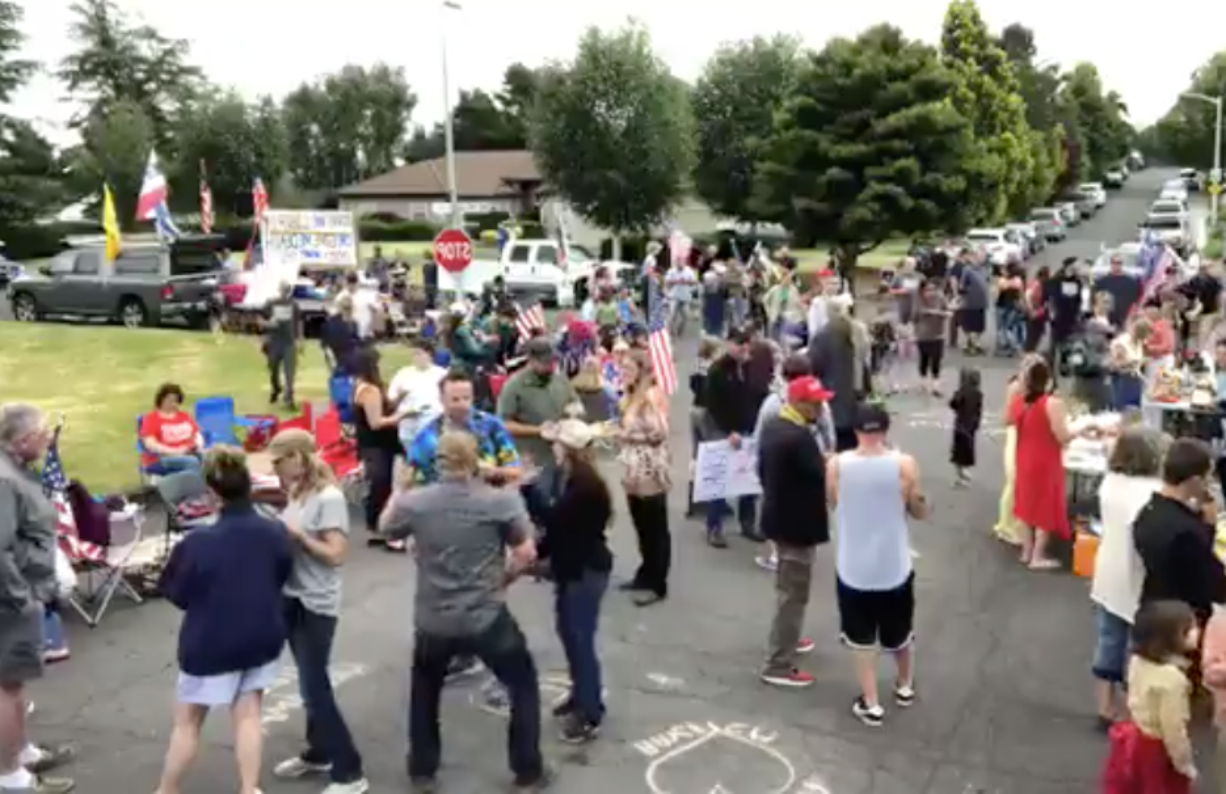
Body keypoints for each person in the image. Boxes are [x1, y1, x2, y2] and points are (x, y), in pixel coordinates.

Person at [379, 432, 550, 790]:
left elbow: (386, 528)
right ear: (476, 461)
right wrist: (504, 579)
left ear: (438, 461)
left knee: (424, 692)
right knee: (522, 685)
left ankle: (423, 770)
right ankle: (527, 770)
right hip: (485, 615)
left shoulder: (417, 502)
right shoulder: (499, 502)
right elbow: (527, 552)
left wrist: (399, 488)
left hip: (434, 618)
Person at [154, 446, 293, 794]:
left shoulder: (197, 542)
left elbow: (176, 593)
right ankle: (249, 788)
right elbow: (281, 574)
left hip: (209, 643)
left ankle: (167, 790)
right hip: (261, 636)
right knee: (248, 715)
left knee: (187, 723)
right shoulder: (274, 530)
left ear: (213, 495)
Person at [267, 430, 368, 794]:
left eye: (280, 461)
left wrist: (298, 538)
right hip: (293, 595)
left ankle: (350, 771)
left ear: (298, 457)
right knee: (310, 680)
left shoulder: (330, 498)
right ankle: (319, 751)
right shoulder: (298, 492)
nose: (276, 469)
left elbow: (336, 554)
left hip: (316, 602)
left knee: (314, 687)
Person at [405, 369, 522, 681]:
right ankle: (456, 651)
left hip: (483, 522)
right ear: (441, 399)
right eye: (454, 398)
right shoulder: (428, 436)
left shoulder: (489, 427)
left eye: (467, 397)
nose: (462, 404)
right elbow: (412, 482)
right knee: (443, 587)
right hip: (437, 524)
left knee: (483, 586)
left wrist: (483, 470)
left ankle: (486, 648)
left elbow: (514, 471)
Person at [827, 404, 926, 727]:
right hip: (893, 565)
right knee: (900, 633)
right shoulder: (904, 465)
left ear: (856, 431)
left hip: (854, 568)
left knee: (861, 640)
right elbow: (919, 510)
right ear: (886, 430)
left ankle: (871, 702)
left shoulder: (837, 465)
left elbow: (835, 502)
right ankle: (905, 684)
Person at [0, 405, 75, 794]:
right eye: (44, 433)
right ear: (24, 439)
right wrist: (20, 599)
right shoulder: (5, 480)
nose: (49, 438)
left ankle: (22, 752)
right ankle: (11, 776)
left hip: (22, 593)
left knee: (15, 681)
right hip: (11, 600)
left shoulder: (14, 472)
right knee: (6, 686)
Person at [536, 419, 612, 744]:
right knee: (569, 634)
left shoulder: (584, 486)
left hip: (586, 570)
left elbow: (556, 522)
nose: (551, 447)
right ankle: (580, 695)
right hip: (574, 568)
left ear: (566, 449)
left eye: (556, 443)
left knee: (580, 640)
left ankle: (590, 711)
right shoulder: (572, 478)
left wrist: (528, 492)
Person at [757, 376, 833, 688]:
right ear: (800, 404)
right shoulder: (799, 439)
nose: (821, 408)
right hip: (797, 525)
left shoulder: (776, 427)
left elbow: (761, 471)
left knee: (787, 588)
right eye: (816, 403)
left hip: (779, 519)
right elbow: (822, 476)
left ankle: (789, 640)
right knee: (793, 595)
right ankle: (778, 663)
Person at [1091, 427, 1165, 730]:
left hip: (1108, 570)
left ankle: (1104, 705)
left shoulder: (1109, 483)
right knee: (1142, 646)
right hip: (1139, 576)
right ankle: (1136, 710)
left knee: (1109, 640)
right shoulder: (1153, 492)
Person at [1101, 600, 1198, 794]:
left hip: (1134, 738)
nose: (1198, 631)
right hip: (1156, 750)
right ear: (1175, 638)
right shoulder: (1173, 680)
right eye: (1191, 628)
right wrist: (1184, 764)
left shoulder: (1138, 661)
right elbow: (1172, 727)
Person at [752, 354, 834, 572]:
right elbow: (829, 436)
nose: (818, 408)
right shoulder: (796, 427)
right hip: (796, 471)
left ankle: (778, 554)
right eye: (814, 404)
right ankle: (786, 557)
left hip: (780, 474)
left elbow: (759, 439)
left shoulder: (772, 404)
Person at [1133, 437, 1226, 622]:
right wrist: (1208, 526)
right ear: (1194, 480)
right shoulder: (1187, 532)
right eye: (1207, 477)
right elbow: (1211, 581)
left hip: (1153, 604)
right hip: (1184, 618)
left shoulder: (1148, 511)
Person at [1008, 357, 1076, 570]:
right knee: (1045, 506)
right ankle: (1038, 556)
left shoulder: (1020, 401)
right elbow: (1062, 437)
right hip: (1045, 460)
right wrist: (1081, 430)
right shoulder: (1052, 404)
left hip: (1024, 456)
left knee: (1027, 504)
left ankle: (1027, 552)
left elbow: (1007, 420)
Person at [497, 337, 582, 505]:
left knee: (565, 502)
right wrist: (538, 430)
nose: (549, 366)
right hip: (534, 459)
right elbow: (504, 424)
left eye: (552, 361)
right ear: (530, 360)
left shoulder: (559, 379)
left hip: (563, 454)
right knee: (540, 503)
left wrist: (574, 411)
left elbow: (574, 402)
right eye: (544, 362)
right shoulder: (514, 386)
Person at [615, 350, 671, 606]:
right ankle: (645, 573)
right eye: (622, 368)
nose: (623, 373)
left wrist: (628, 436)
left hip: (650, 466)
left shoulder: (650, 396)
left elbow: (660, 432)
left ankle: (657, 584)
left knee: (655, 528)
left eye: (628, 368)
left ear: (642, 370)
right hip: (632, 466)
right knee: (640, 524)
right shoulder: (630, 394)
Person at [703, 328, 760, 546]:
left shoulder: (747, 367)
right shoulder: (718, 370)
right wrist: (729, 431)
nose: (743, 347)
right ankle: (714, 527)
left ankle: (747, 523)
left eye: (746, 343)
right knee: (719, 480)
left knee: (747, 479)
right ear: (729, 343)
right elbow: (713, 404)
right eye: (739, 343)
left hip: (746, 428)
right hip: (723, 430)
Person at [351, 348, 409, 549]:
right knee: (382, 482)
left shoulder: (362, 386)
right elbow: (376, 421)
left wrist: (399, 400)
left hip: (374, 442)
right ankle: (379, 524)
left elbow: (383, 407)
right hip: (377, 442)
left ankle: (378, 526)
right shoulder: (370, 390)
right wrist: (401, 416)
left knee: (383, 483)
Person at [809, 308, 864, 452]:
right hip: (851, 400)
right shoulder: (856, 333)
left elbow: (814, 366)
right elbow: (863, 365)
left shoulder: (822, 337)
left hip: (830, 396)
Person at [387, 339, 446, 454]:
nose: (416, 357)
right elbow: (391, 399)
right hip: (408, 425)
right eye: (414, 354)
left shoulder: (441, 374)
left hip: (432, 425)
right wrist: (400, 396)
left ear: (430, 355)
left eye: (419, 353)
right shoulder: (403, 373)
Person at [140, 383, 205, 475]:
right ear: (161, 400)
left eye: (175, 400)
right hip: (161, 458)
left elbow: (197, 434)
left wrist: (197, 445)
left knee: (211, 459)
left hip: (189, 452)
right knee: (192, 462)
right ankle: (193, 487)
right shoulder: (151, 419)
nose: (172, 403)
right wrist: (176, 452)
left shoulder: (184, 416)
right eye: (169, 400)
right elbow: (150, 444)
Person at [264, 280, 302, 409]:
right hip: (274, 343)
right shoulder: (270, 303)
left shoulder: (294, 305)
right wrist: (268, 323)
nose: (285, 292)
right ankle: (276, 388)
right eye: (283, 289)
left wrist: (301, 340)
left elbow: (299, 322)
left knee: (289, 373)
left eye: (287, 290)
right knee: (273, 369)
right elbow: (260, 320)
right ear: (279, 290)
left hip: (289, 343)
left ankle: (288, 399)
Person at [913, 278, 950, 396]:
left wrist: (946, 311)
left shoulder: (940, 297)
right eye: (928, 290)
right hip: (923, 335)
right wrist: (934, 312)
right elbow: (916, 315)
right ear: (922, 290)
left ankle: (936, 386)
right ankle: (922, 383)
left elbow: (947, 310)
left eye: (933, 289)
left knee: (936, 360)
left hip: (938, 334)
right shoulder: (918, 300)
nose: (931, 293)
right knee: (924, 359)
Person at [949, 367, 982, 486]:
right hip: (971, 426)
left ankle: (961, 475)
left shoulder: (962, 391)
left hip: (960, 425)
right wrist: (977, 423)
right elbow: (978, 410)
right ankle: (964, 473)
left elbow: (953, 403)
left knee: (959, 452)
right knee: (967, 449)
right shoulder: (978, 393)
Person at [1109, 318, 1150, 411]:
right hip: (1122, 381)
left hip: (1135, 381)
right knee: (1123, 412)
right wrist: (1130, 362)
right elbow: (1114, 365)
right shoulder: (1121, 343)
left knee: (1135, 414)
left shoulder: (1139, 342)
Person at [1093, 253, 1142, 330]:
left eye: (1119, 263)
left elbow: (1135, 301)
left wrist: (1131, 316)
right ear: (1110, 264)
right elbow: (1096, 300)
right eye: (1114, 262)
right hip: (1106, 319)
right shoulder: (1102, 281)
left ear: (1122, 264)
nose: (1116, 265)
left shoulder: (1131, 282)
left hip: (1125, 318)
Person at [955, 253, 990, 355]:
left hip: (981, 302)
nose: (980, 260)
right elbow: (962, 285)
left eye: (982, 258)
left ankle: (976, 344)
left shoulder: (985, 270)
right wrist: (963, 292)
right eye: (978, 258)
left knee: (980, 327)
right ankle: (971, 346)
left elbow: (986, 282)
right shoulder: (967, 270)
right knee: (969, 325)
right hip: (970, 302)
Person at [320, 295, 360, 374]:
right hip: (335, 358)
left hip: (350, 359)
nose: (347, 310)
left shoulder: (354, 323)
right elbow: (325, 344)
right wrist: (331, 359)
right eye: (345, 308)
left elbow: (356, 341)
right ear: (340, 308)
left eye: (349, 308)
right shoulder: (331, 322)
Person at [664, 258, 697, 337]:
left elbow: (694, 282)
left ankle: (680, 330)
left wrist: (686, 281)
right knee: (672, 315)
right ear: (676, 264)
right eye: (678, 264)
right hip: (674, 296)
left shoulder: (689, 271)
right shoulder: (671, 271)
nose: (680, 266)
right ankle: (670, 331)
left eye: (681, 264)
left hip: (685, 297)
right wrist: (676, 281)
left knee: (686, 316)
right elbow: (667, 282)